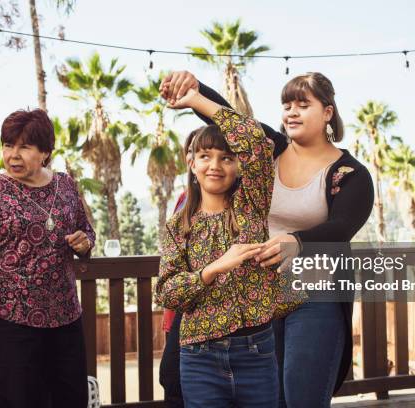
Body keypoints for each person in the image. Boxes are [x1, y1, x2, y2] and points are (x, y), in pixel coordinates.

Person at [161, 72, 374, 407]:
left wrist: (297, 241)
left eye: (303, 105)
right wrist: (194, 91)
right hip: (258, 289)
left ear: (328, 112)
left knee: (300, 392)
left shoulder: (351, 173)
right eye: (287, 105)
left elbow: (343, 226)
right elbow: (232, 118)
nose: (291, 112)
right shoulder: (271, 149)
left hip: (313, 292)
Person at [155, 84, 302, 408]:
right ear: (192, 163)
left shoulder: (251, 203)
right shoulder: (177, 225)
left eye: (226, 157)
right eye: (205, 156)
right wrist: (215, 267)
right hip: (199, 357)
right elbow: (167, 292)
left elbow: (254, 139)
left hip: (256, 351)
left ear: (238, 166)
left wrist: (195, 100)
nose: (215, 166)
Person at [0, 109, 95, 408]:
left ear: (45, 153)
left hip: (65, 320)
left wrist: (84, 242)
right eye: (8, 145)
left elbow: (86, 233)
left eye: (24, 147)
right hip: (8, 323)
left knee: (71, 400)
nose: (13, 155)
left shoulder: (65, 185)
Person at [159, 127, 202, 408]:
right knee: (171, 378)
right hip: (179, 303)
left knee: (180, 379)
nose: (193, 158)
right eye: (193, 151)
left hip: (203, 306)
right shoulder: (184, 198)